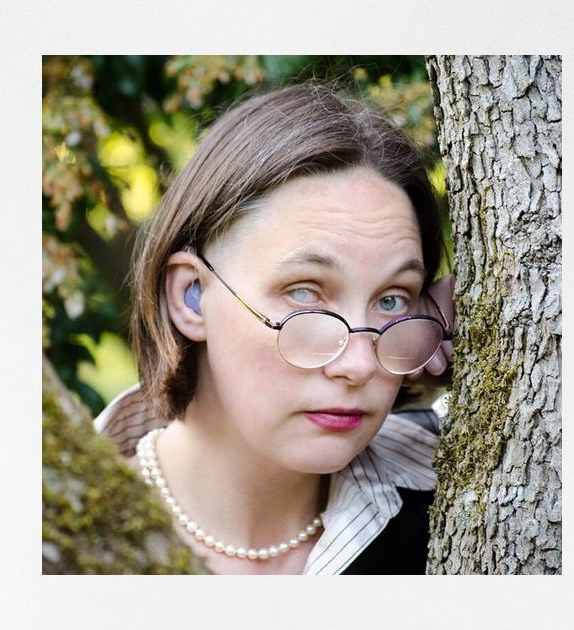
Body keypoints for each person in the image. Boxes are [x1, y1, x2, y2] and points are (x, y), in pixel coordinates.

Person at [95, 82, 454, 574]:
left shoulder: (460, 492)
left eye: (391, 300)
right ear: (191, 297)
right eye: (304, 292)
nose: (359, 365)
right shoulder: (57, 535)